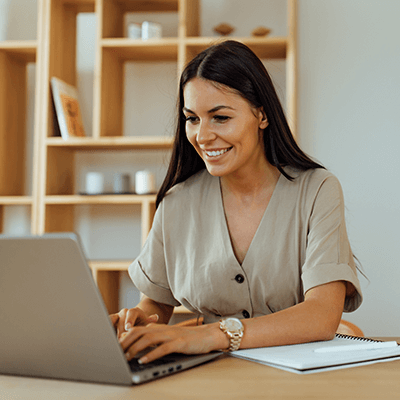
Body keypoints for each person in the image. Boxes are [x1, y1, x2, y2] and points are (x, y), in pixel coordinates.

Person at [111, 40, 362, 365]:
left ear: (262, 114)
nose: (202, 136)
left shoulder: (317, 190)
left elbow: (322, 315)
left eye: (219, 117)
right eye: (192, 119)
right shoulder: (177, 203)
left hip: (297, 376)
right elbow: (155, 305)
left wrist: (215, 335)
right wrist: (136, 323)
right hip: (208, 372)